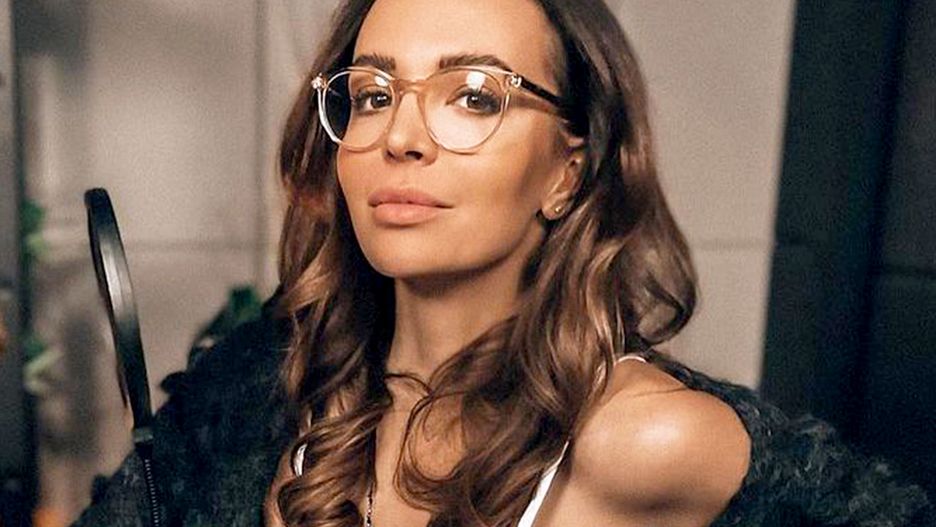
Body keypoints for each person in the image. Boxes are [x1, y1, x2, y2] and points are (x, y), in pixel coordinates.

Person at [73, 0, 933, 526]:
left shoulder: (644, 440)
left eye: (475, 96)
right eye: (373, 94)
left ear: (568, 171)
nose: (401, 136)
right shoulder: (266, 383)